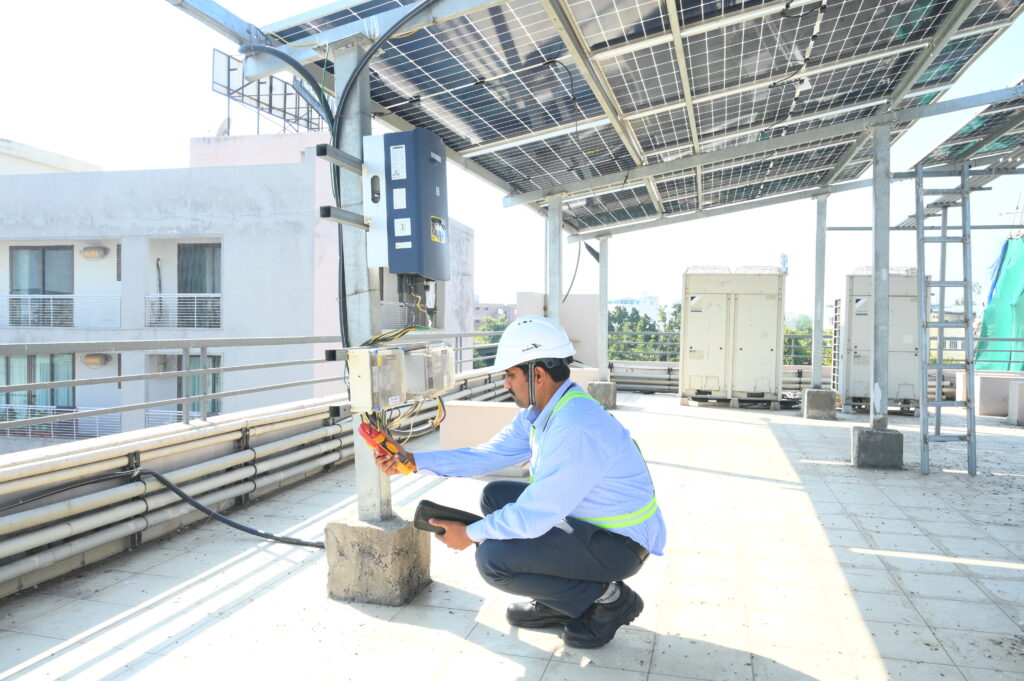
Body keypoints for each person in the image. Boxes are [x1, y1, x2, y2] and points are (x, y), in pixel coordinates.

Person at [374, 316, 666, 648]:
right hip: (591, 524)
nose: (506, 384)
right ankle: (559, 602)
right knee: (496, 495)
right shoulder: (545, 410)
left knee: (494, 561)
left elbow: (534, 515)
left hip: (619, 544)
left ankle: (609, 599)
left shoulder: (575, 426)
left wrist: (468, 535)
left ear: (537, 375)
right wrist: (413, 461)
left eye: (510, 375)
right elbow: (487, 455)